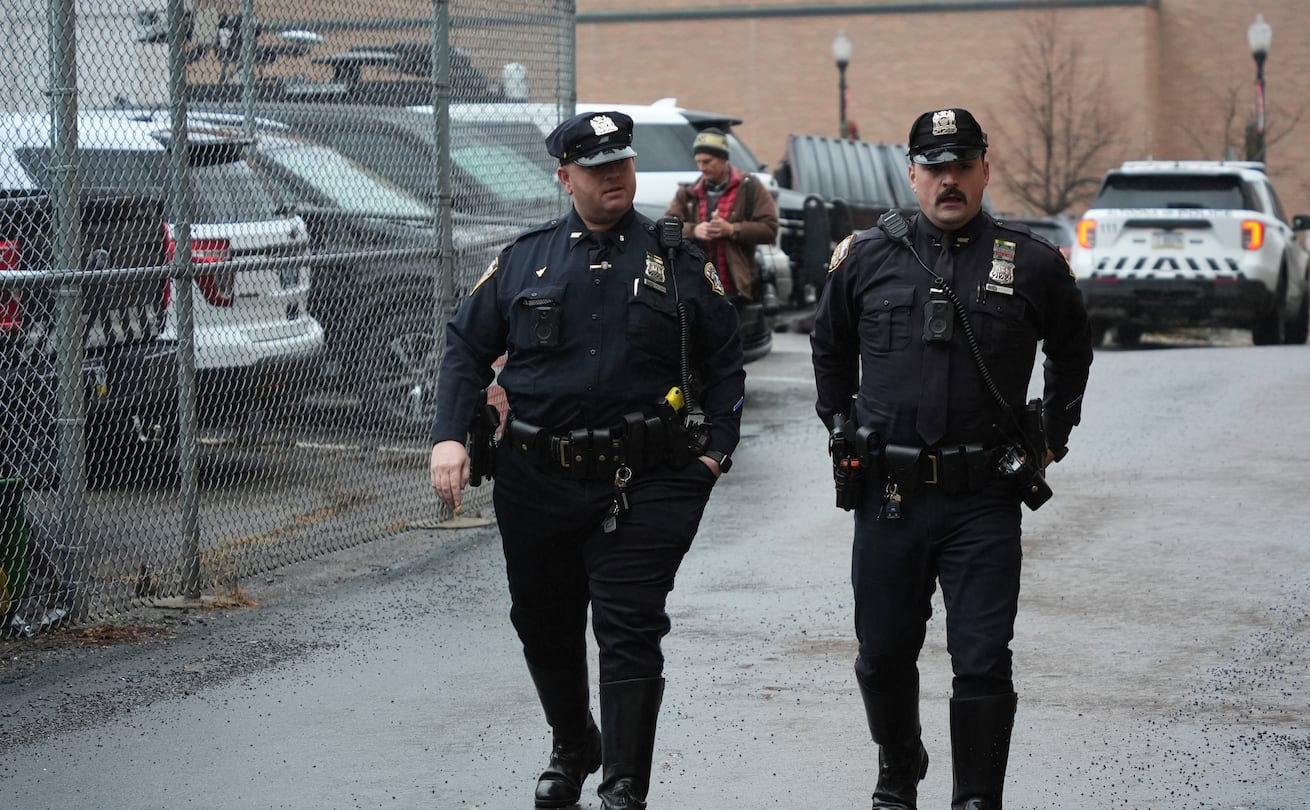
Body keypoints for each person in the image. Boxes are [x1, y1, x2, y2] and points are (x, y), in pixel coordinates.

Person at [429, 110, 745, 810]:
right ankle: (573, 742)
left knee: (629, 623)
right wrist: (451, 434)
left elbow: (726, 357)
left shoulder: (675, 257)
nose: (614, 180)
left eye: (622, 166)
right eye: (598, 171)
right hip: (537, 478)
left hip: (648, 481)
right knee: (541, 619)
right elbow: (464, 347)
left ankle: (625, 785)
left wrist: (716, 453)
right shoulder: (525, 260)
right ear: (565, 177)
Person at [809, 108, 1093, 810]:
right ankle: (899, 762)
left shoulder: (1030, 263)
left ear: (985, 171)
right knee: (880, 654)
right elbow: (829, 347)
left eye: (962, 166)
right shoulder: (867, 256)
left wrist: (1051, 435)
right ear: (912, 175)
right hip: (890, 494)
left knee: (983, 658)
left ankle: (975, 798)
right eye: (934, 168)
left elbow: (1072, 351)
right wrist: (840, 425)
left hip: (982, 500)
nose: (949, 181)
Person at [662, 127, 779, 306]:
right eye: (699, 162)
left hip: (737, 289)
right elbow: (666, 226)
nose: (702, 168)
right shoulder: (688, 192)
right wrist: (695, 230)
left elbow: (770, 229)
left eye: (707, 162)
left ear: (723, 158)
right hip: (697, 287)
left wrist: (732, 229)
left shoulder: (750, 187)